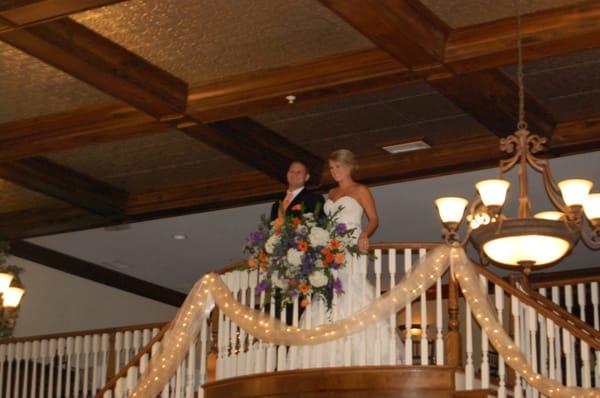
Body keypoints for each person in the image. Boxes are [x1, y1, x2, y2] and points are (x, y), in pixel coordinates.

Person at [296, 149, 402, 367]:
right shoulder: (331, 194)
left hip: (352, 244)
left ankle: (361, 348)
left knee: (352, 287)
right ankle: (328, 351)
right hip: (331, 247)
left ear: (349, 166)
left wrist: (364, 234)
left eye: (339, 167)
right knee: (328, 290)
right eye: (332, 168)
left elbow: (373, 219)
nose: (335, 172)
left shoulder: (360, 190)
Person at [271, 160, 325, 324]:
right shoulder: (276, 204)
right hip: (282, 262)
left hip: (302, 262)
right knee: (280, 308)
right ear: (287, 174)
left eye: (299, 172)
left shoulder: (313, 199)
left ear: (306, 177)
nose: (294, 174)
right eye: (291, 171)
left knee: (298, 308)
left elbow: (319, 226)